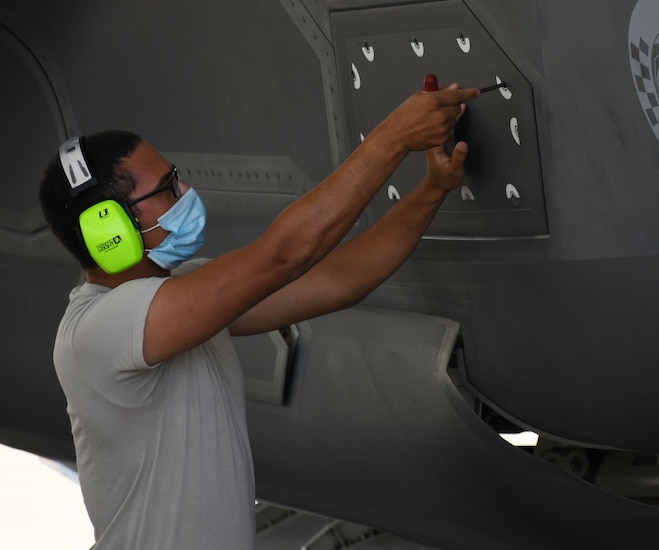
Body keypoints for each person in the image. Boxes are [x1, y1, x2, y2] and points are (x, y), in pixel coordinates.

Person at [38, 83, 479, 549]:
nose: (186, 192)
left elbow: (341, 279)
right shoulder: (102, 327)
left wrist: (433, 188)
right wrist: (393, 138)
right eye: (168, 188)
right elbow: (283, 257)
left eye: (178, 176)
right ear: (107, 229)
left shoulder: (176, 298)